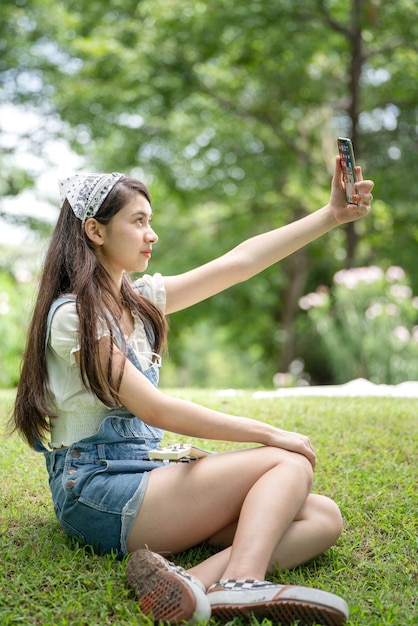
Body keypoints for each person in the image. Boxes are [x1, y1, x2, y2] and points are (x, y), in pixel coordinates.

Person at [12, 158, 373, 625]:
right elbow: (155, 409)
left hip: (141, 479)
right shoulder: (73, 316)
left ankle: (194, 583)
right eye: (138, 221)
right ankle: (243, 583)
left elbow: (239, 263)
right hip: (98, 493)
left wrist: (331, 215)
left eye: (151, 221)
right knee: (287, 461)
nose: (151, 235)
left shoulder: (139, 304)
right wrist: (268, 433)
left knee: (322, 517)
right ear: (95, 231)